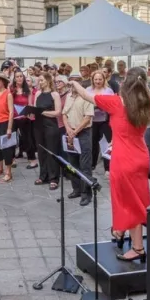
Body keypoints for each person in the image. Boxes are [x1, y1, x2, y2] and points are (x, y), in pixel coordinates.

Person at [69, 67, 150, 262]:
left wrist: (74, 83)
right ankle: (120, 230)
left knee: (128, 203)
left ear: (125, 83)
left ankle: (138, 248)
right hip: (140, 155)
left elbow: (86, 95)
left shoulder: (116, 103)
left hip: (123, 159)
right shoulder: (149, 102)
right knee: (136, 200)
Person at [62, 74, 94, 206]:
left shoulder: (86, 96)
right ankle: (76, 189)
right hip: (70, 132)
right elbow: (64, 114)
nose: (73, 84)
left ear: (81, 83)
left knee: (85, 165)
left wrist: (75, 132)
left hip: (83, 133)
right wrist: (68, 129)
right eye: (71, 81)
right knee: (72, 163)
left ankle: (86, 194)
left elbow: (87, 117)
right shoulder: (68, 96)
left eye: (76, 81)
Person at [33, 72, 62, 190]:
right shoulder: (38, 93)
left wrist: (43, 112)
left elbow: (58, 112)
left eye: (42, 80)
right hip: (38, 126)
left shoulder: (55, 94)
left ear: (48, 81)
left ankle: (53, 178)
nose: (40, 82)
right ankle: (43, 175)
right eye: (39, 80)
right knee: (41, 151)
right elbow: (35, 109)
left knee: (51, 151)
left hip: (51, 126)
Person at [11, 70, 37, 169]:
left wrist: (29, 114)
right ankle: (12, 159)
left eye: (21, 76)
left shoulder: (27, 90)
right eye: (17, 76)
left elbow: (30, 104)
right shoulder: (11, 89)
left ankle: (32, 160)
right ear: (14, 78)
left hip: (25, 117)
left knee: (27, 139)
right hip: (13, 117)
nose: (19, 78)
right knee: (12, 139)